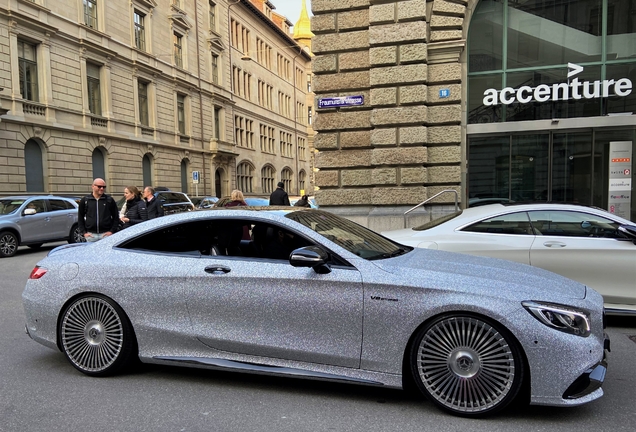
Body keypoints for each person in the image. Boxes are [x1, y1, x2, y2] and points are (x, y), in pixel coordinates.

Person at [78, 178, 120, 242]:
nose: (102, 189)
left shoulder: (109, 200)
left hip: (106, 234)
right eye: (99, 186)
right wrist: (84, 233)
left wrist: (111, 231)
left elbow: (116, 217)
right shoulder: (86, 200)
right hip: (91, 235)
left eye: (104, 187)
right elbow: (80, 217)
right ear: (93, 186)